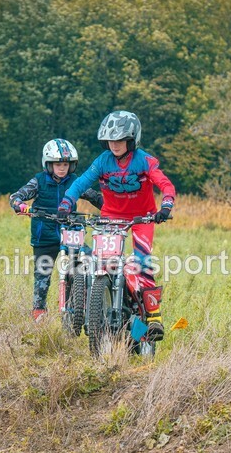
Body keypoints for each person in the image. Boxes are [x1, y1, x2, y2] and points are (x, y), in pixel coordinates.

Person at [57, 111, 175, 340]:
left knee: (142, 262)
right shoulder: (103, 161)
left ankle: (153, 317)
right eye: (110, 140)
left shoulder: (144, 161)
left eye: (120, 140)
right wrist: (66, 203)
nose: (114, 144)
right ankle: (96, 306)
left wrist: (166, 206)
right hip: (110, 217)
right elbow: (80, 184)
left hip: (142, 218)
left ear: (132, 140)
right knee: (101, 261)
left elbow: (165, 184)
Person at [9, 138, 102, 321]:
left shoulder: (75, 181)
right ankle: (39, 311)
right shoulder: (39, 181)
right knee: (42, 275)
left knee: (88, 260)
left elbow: (95, 197)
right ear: (48, 164)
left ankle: (83, 301)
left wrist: (109, 209)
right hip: (45, 234)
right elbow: (17, 196)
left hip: (71, 231)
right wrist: (19, 205)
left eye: (65, 164)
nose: (62, 168)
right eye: (58, 164)